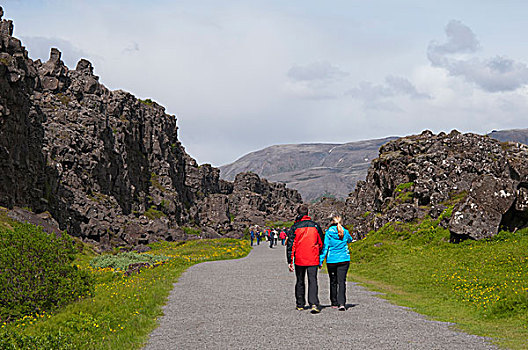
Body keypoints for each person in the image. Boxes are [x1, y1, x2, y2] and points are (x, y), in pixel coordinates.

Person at [287, 204, 324, 313]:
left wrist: (290, 260)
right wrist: (319, 254)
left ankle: (300, 304)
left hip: (299, 258)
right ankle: (313, 303)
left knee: (300, 280)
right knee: (313, 280)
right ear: (307, 213)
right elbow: (321, 242)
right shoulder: (315, 226)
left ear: (298, 214)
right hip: (313, 257)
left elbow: (291, 245)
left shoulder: (295, 227)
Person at [319, 214, 354, 311]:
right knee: (342, 281)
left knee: (333, 281)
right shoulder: (345, 231)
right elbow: (350, 240)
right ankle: (342, 303)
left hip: (332, 260)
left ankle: (334, 302)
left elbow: (325, 247)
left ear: (331, 222)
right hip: (344, 259)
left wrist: (321, 260)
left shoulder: (328, 233)